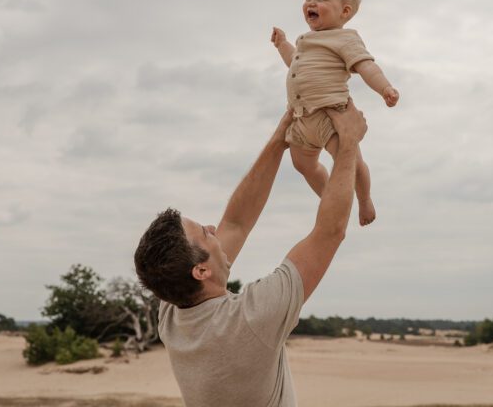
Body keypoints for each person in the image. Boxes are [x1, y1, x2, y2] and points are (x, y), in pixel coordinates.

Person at [134, 102, 368, 407]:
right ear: (200, 271)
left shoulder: (173, 314)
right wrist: (348, 142)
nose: (212, 227)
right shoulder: (252, 319)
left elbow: (236, 222)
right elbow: (330, 232)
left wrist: (281, 137)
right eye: (204, 233)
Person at [271, 0, 399, 226]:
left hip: (331, 116)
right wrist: (283, 45)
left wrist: (385, 88)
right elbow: (295, 64)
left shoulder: (346, 39)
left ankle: (364, 199)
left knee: (350, 160)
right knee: (302, 164)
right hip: (301, 119)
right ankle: (328, 197)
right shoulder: (306, 41)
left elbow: (367, 67)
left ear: (345, 11)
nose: (310, 3)